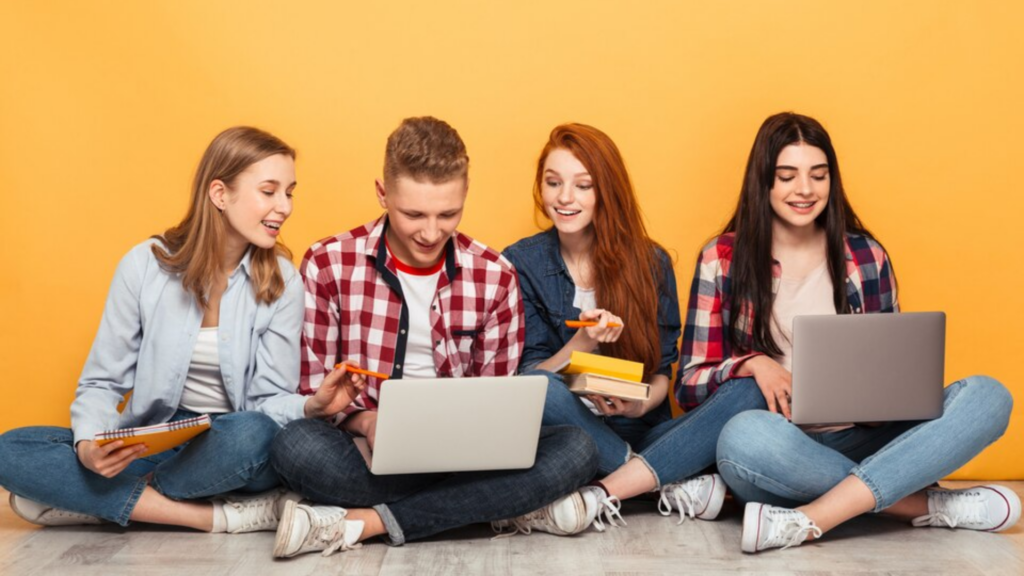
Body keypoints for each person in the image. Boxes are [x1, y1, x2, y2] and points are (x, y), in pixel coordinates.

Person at [681, 112, 1019, 553]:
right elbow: (689, 386)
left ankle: (809, 519)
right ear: (762, 182)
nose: (805, 190)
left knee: (989, 396)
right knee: (742, 437)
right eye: (787, 176)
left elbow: (896, 369)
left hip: (870, 440)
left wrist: (886, 402)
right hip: (785, 447)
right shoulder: (721, 258)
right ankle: (926, 504)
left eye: (818, 176)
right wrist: (752, 364)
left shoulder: (866, 255)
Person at [0, 127, 362, 534]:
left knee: (256, 433)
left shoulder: (281, 281)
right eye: (269, 191)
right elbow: (102, 382)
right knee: (10, 449)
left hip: (230, 446)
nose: (285, 206)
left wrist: (311, 408)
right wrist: (88, 450)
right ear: (220, 194)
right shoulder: (143, 266)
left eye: (289, 192)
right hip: (154, 443)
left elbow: (267, 401)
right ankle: (212, 516)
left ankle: (103, 501)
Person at [269, 116, 598, 558]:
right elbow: (313, 392)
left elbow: (501, 405)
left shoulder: (494, 275)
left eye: (448, 214)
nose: (429, 232)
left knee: (577, 448)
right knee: (294, 446)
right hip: (363, 449)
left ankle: (367, 521)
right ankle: (499, 504)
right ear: (383, 194)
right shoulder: (329, 263)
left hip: (467, 457)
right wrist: (364, 422)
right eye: (413, 214)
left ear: (464, 195)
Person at [501, 123, 767, 533]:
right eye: (553, 183)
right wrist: (581, 342)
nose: (564, 198)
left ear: (606, 191)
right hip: (569, 432)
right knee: (541, 388)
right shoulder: (521, 262)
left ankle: (612, 483)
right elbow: (528, 379)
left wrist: (641, 403)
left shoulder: (650, 262)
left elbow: (664, 370)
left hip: (644, 427)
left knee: (747, 392)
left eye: (583, 186)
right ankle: (656, 481)